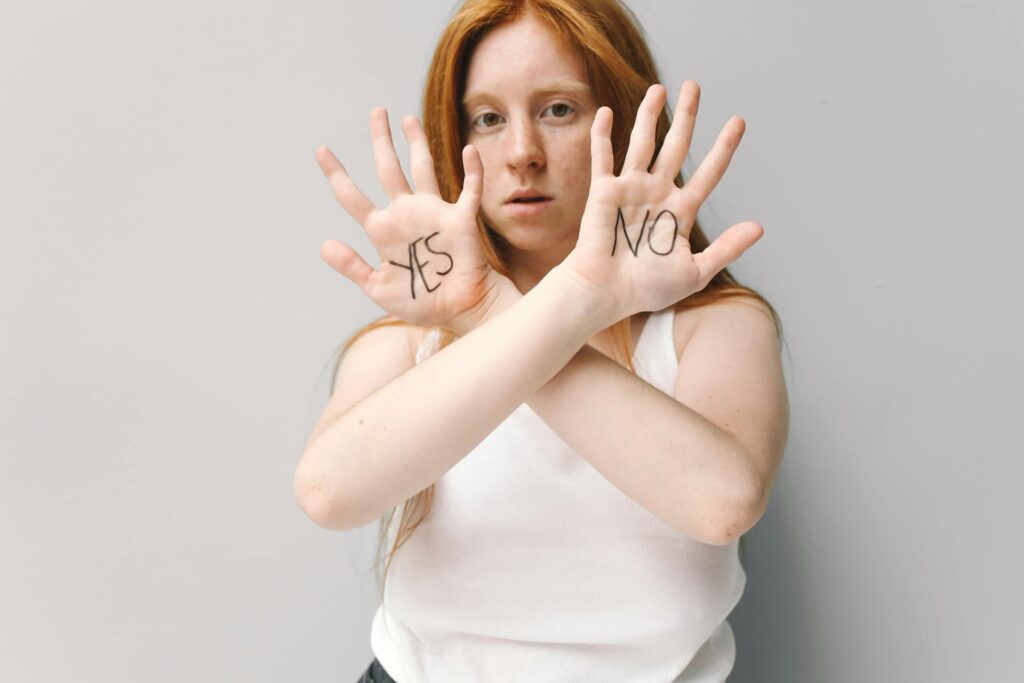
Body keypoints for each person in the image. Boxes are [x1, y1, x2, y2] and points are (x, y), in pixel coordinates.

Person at [295, 0, 790, 680]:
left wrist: (536, 303)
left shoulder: (718, 325)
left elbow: (722, 502)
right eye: (488, 119)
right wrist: (523, 307)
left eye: (559, 109)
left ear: (616, 119)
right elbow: (328, 492)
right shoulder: (408, 341)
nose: (522, 153)